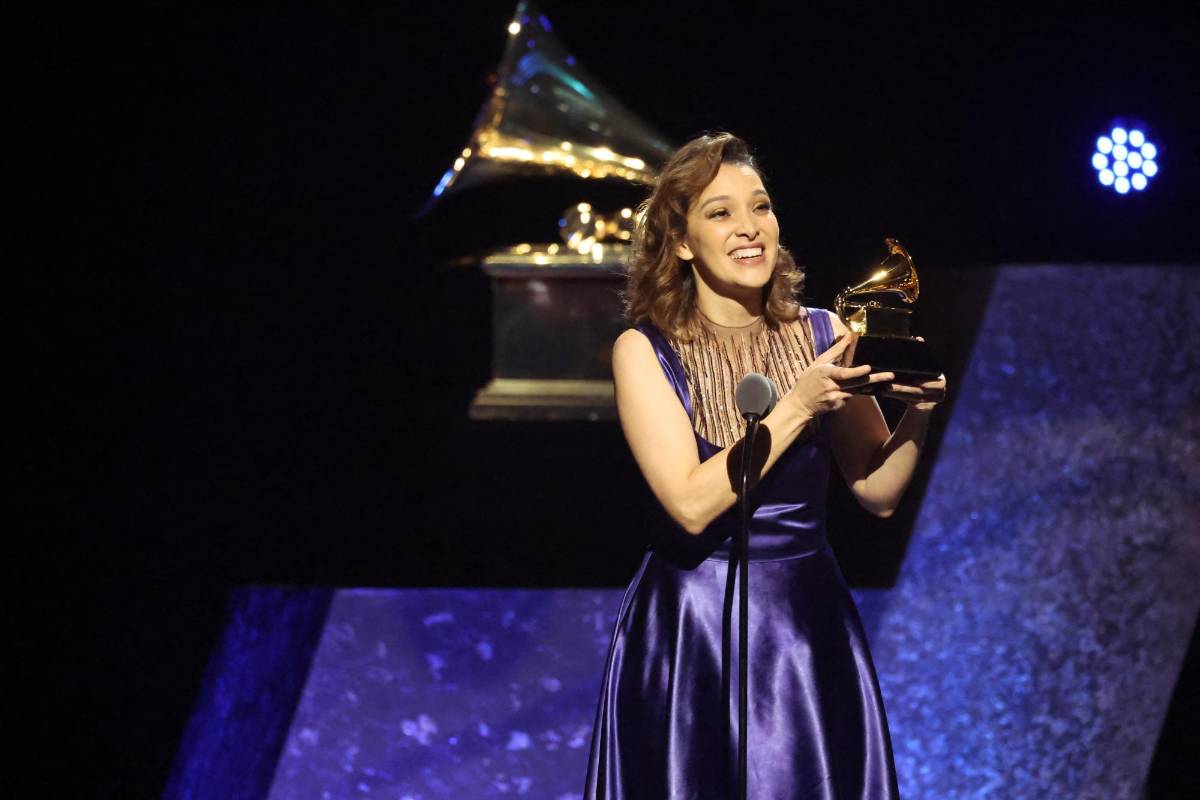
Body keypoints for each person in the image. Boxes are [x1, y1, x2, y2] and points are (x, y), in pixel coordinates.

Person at [583, 132, 946, 799]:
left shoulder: (821, 333)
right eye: (720, 212)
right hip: (693, 625)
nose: (749, 228)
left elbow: (878, 491)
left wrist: (917, 417)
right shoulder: (643, 351)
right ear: (683, 240)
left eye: (761, 207)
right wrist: (799, 404)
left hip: (804, 626)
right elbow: (691, 503)